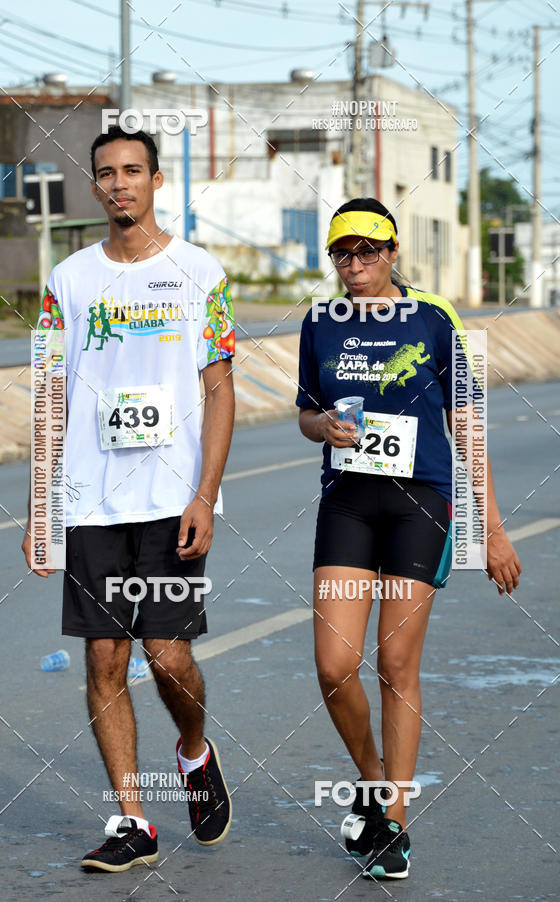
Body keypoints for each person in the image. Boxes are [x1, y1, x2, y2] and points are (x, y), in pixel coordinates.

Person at [22, 125, 236, 871]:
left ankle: (194, 750)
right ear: (94, 187)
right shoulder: (68, 280)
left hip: (172, 498)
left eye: (133, 171)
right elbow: (48, 396)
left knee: (169, 656)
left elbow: (218, 389)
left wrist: (206, 494)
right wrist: (40, 506)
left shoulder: (200, 272)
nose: (120, 184)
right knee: (105, 662)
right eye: (107, 173)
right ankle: (132, 821)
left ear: (155, 180)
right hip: (91, 503)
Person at [296, 198, 521, 880]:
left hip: (419, 504)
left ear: (393, 252)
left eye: (368, 251)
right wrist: (325, 428)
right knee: (335, 666)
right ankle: (371, 779)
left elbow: (467, 421)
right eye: (342, 253)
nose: (354, 264)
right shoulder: (319, 320)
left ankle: (393, 821)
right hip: (347, 504)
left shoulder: (433, 316)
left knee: (395, 665)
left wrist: (493, 529)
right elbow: (306, 415)